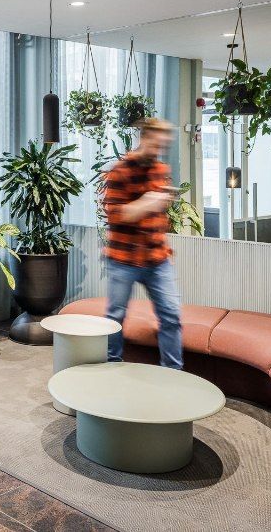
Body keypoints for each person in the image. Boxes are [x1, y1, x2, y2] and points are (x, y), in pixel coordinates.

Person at [101, 117, 183, 370]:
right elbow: (115, 215)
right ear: (144, 138)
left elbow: (159, 213)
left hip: (157, 258)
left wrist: (158, 207)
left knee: (171, 315)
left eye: (163, 146)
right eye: (156, 144)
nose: (159, 150)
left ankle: (173, 373)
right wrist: (147, 203)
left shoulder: (161, 170)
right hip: (123, 259)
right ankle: (111, 367)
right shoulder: (120, 171)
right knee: (115, 317)